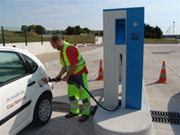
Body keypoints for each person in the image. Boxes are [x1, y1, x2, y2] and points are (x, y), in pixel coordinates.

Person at [50, 35, 91, 122]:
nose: (53, 48)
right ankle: (74, 111)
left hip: (80, 73)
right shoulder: (61, 51)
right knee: (72, 94)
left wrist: (67, 76)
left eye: (53, 45)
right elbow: (65, 66)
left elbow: (74, 65)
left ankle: (86, 113)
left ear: (57, 42)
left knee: (83, 94)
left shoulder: (69, 49)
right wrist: (59, 76)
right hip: (72, 74)